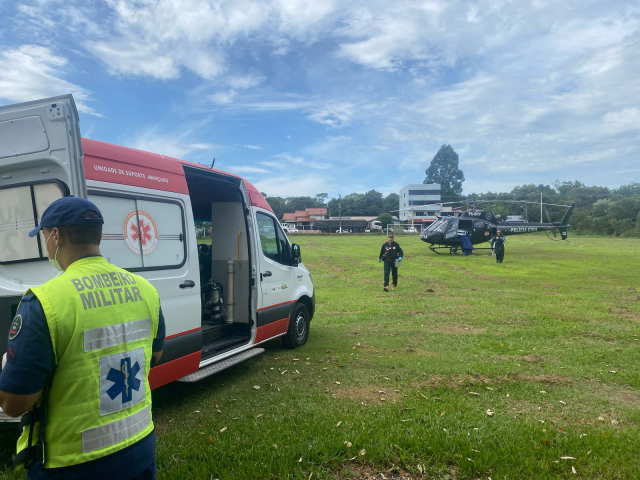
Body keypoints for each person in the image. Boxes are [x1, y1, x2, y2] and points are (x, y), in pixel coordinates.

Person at [0, 196, 165, 480]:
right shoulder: (146, 290)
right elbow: (155, 355)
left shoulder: (43, 303)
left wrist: (6, 365)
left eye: (43, 236)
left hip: (72, 465)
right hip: (139, 449)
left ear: (55, 235)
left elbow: (14, 404)